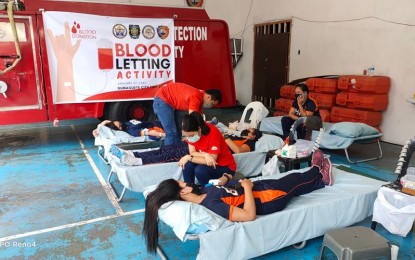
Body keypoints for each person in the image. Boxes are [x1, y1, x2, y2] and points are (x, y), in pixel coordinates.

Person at [143, 150, 333, 253]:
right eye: (182, 182)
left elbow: (219, 187)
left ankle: (316, 178)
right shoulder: (211, 206)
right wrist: (249, 188)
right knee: (293, 182)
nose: (186, 181)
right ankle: (319, 174)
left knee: (291, 181)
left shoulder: (202, 192)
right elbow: (249, 215)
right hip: (267, 198)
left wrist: (226, 178)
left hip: (255, 187)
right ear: (183, 191)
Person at [109, 127, 261, 167]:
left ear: (253, 136)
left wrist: (225, 138)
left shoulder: (248, 143)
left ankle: (136, 161)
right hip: (197, 145)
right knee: (164, 149)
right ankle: (133, 154)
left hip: (203, 153)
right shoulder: (238, 136)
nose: (247, 130)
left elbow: (239, 151)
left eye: (250, 131)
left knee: (167, 156)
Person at [153, 82, 222, 145]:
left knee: (177, 130)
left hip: (168, 100)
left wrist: (204, 126)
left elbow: (199, 118)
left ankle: (176, 150)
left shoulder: (200, 100)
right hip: (162, 99)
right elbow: (193, 117)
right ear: (209, 97)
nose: (211, 106)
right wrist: (203, 129)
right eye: (212, 104)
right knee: (171, 132)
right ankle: (169, 155)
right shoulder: (196, 96)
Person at [179, 112, 236, 187]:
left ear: (199, 129)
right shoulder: (190, 134)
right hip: (209, 161)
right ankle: (190, 189)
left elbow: (211, 161)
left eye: (191, 136)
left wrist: (189, 157)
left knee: (200, 170)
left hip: (225, 167)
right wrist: (205, 154)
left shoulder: (213, 132)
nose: (189, 139)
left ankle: (209, 192)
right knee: (187, 165)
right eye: (186, 136)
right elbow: (192, 152)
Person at [92, 119, 165, 140]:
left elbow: (106, 121)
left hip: (158, 121)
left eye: (117, 122)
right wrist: (162, 134)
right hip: (162, 127)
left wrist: (97, 129)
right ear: (119, 129)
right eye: (119, 126)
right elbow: (149, 132)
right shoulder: (132, 131)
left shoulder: (125, 123)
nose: (119, 122)